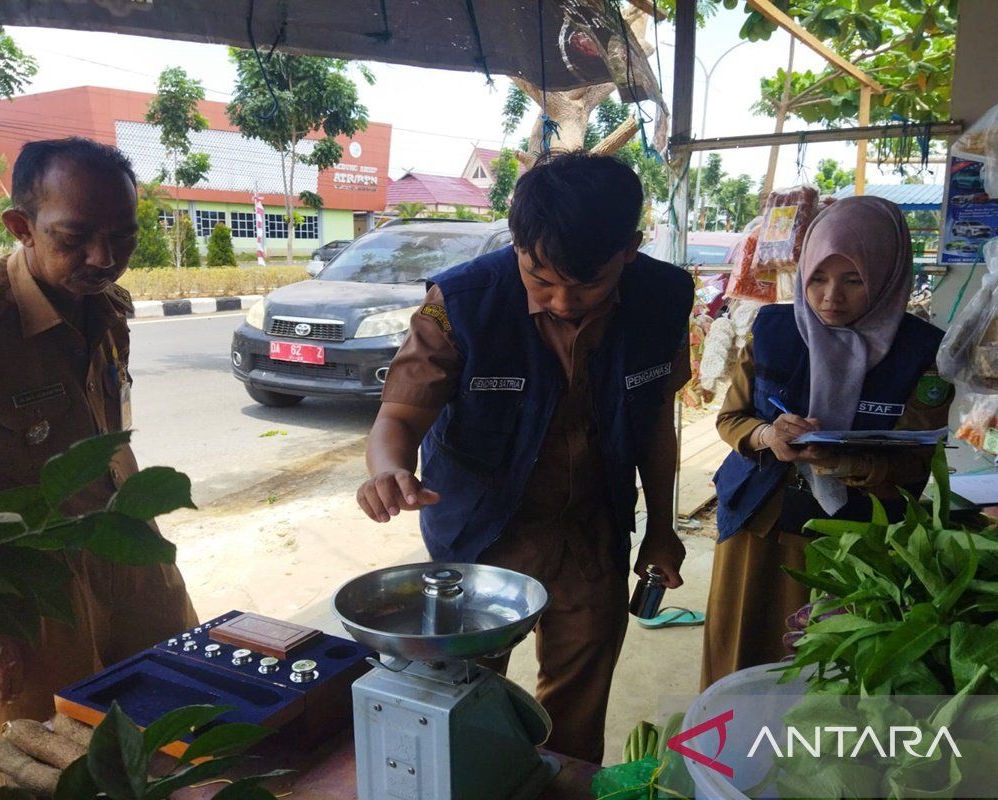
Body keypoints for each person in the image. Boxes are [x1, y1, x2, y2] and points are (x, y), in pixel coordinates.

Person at [355, 151, 695, 763]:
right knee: (465, 703)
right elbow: (399, 417)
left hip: (594, 531)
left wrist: (663, 529)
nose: (564, 300)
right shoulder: (460, 302)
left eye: (588, 283)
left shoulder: (664, 298)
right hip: (481, 539)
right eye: (540, 279)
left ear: (630, 249)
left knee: (576, 710)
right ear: (515, 242)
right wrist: (388, 469)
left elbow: (653, 424)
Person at [0, 137, 198, 736]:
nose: (103, 257)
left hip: (124, 544)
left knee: (178, 711)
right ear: (21, 227)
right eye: (74, 237)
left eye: (123, 236)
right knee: (46, 757)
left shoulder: (105, 306)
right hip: (19, 589)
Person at [701, 196, 954, 689]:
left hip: (856, 541)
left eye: (853, 280)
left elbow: (920, 461)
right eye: (817, 278)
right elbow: (731, 417)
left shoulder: (922, 353)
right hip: (759, 528)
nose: (830, 296)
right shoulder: (774, 331)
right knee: (740, 658)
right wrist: (766, 435)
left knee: (831, 669)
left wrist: (847, 462)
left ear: (886, 275)